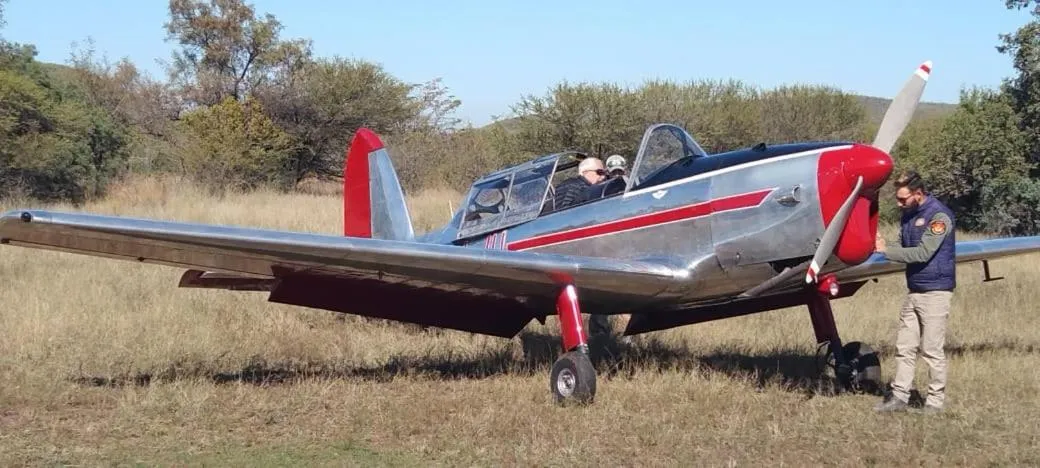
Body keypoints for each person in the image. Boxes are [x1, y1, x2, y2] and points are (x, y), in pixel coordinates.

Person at [872, 171, 956, 414]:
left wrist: (886, 252)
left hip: (935, 292)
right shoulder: (908, 216)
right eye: (897, 199)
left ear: (918, 194)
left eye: (903, 199)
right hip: (915, 289)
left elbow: (922, 253)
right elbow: (901, 247)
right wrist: (881, 246)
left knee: (931, 350)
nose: (899, 204)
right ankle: (900, 397)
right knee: (904, 346)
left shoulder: (939, 217)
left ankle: (935, 402)